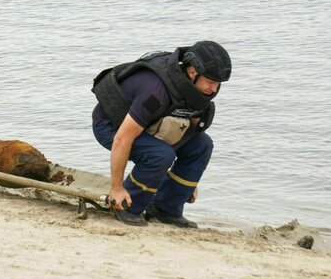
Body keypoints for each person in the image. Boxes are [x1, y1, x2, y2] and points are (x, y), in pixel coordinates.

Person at [91, 41, 231, 228]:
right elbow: (122, 139)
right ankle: (127, 207)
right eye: (211, 82)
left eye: (218, 84)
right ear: (192, 72)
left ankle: (166, 208)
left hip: (153, 123)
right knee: (160, 154)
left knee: (202, 145)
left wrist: (186, 183)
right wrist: (116, 188)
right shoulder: (156, 91)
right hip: (112, 125)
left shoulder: (197, 90)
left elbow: (190, 132)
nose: (214, 89)